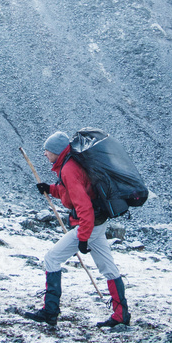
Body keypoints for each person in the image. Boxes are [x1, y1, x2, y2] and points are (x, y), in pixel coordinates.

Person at [24, 131, 131, 329]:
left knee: (52, 259)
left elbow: (83, 206)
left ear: (57, 151)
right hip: (98, 224)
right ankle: (121, 314)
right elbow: (72, 192)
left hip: (89, 225)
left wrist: (82, 238)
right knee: (109, 269)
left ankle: (50, 311)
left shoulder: (69, 169)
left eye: (47, 151)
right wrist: (50, 189)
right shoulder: (70, 164)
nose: (45, 154)